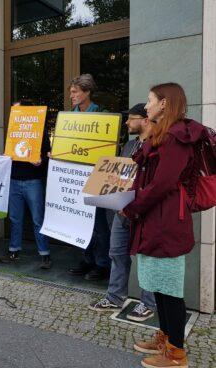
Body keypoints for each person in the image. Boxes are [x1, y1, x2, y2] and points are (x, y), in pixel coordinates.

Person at [122, 84, 207, 368]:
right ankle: (166, 337)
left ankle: (177, 354)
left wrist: (132, 207)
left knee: (170, 290)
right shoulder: (162, 134)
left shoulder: (177, 138)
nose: (145, 107)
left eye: (150, 101)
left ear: (164, 104)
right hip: (155, 219)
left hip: (167, 222)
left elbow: (161, 185)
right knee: (158, 284)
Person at [89, 104, 156, 321]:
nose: (127, 122)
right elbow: (118, 176)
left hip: (144, 212)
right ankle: (115, 296)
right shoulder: (128, 145)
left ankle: (148, 303)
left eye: (131, 118)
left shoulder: (158, 146)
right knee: (117, 253)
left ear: (146, 120)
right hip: (122, 211)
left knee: (146, 259)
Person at [66, 74, 112, 280]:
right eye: (71, 92)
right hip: (75, 178)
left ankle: (102, 263)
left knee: (100, 225)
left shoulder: (102, 115)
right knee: (80, 221)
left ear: (87, 92)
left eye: (75, 92)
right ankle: (87, 259)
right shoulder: (69, 118)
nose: (71, 96)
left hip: (96, 178)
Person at [0, 102, 52, 269]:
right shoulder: (12, 133)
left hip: (33, 181)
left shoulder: (41, 134)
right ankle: (14, 250)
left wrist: (41, 162)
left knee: (38, 219)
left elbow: (46, 157)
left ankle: (44, 254)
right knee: (15, 218)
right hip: (14, 180)